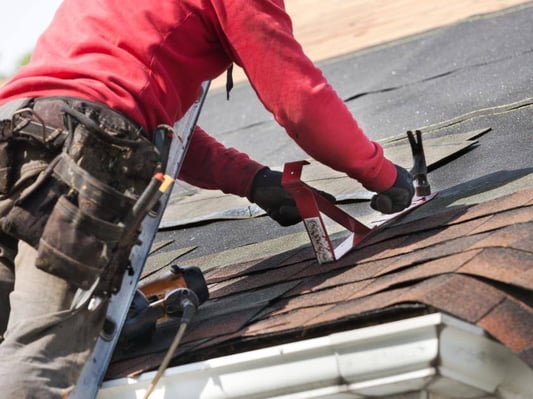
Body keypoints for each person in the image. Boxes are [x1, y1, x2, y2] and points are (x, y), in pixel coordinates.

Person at [0, 0, 414, 396]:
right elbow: (299, 101)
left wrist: (251, 179)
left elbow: (150, 124)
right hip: (81, 155)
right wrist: (380, 173)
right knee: (40, 358)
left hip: (15, 135)